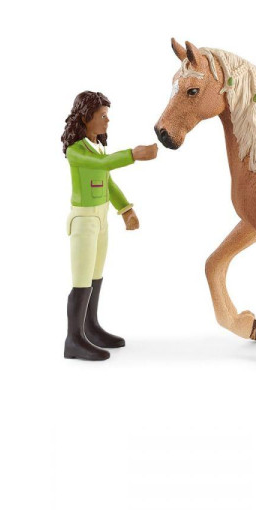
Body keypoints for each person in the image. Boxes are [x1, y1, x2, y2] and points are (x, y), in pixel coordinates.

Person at [61, 90, 157, 360]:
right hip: (84, 220)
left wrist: (125, 209)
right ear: (85, 118)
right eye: (102, 115)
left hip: (101, 218)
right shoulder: (76, 151)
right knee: (81, 279)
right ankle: (73, 339)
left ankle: (90, 328)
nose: (108, 120)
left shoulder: (97, 147)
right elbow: (103, 164)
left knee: (95, 275)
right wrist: (133, 155)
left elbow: (107, 181)